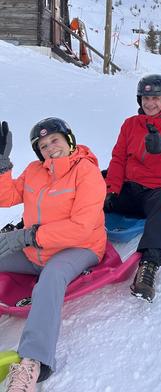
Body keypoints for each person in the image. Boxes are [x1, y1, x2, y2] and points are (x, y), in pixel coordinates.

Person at [0, 118, 106, 391]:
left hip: (79, 247)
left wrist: (27, 237)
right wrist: (2, 167)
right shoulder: (35, 170)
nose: (50, 148)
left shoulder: (86, 172)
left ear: (69, 140)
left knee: (51, 277)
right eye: (43, 145)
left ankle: (34, 361)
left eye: (54, 140)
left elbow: (81, 228)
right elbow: (6, 197)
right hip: (36, 249)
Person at [103, 75, 161, 303]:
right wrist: (112, 189)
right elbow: (118, 159)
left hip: (157, 190)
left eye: (155, 98)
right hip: (129, 189)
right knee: (91, 182)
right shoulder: (130, 124)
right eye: (145, 98)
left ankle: (149, 265)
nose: (150, 103)